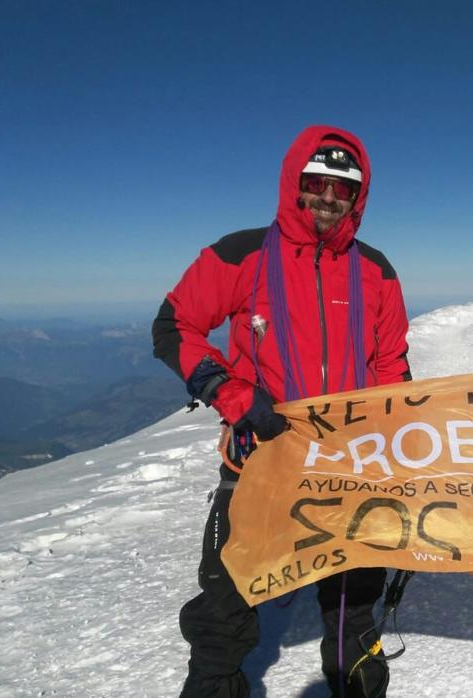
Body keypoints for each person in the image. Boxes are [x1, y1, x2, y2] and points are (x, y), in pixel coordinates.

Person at [152, 125, 411, 698]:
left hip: (348, 468)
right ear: (295, 183)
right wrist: (235, 396)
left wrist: (397, 443)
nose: (328, 197)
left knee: (352, 612)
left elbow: (391, 365)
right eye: (316, 182)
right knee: (225, 610)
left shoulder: (376, 272)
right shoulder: (242, 254)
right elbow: (174, 326)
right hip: (258, 462)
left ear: (358, 198)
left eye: (343, 188)